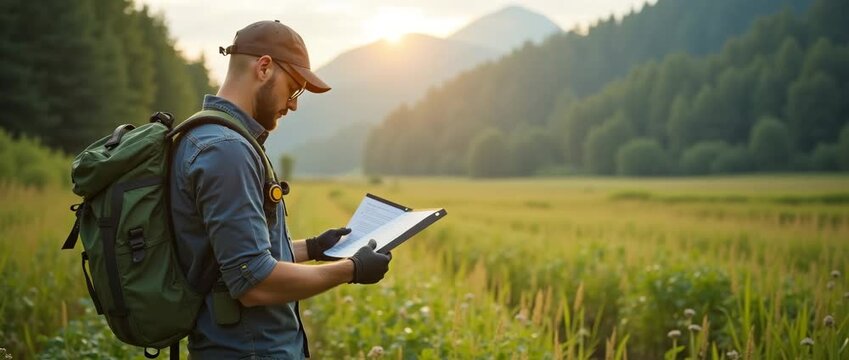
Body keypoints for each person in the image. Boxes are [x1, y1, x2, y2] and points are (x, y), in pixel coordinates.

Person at [169, 20, 392, 359]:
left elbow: (228, 256)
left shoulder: (208, 137)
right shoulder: (226, 150)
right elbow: (253, 281)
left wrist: (314, 248)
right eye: (294, 88)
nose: (293, 104)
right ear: (264, 67)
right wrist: (352, 269)